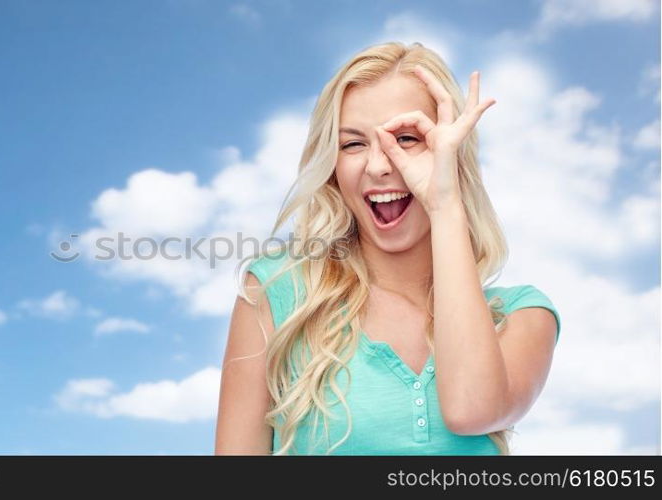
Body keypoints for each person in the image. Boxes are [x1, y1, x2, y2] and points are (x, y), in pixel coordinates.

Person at [214, 41, 561, 455]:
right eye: (353, 144)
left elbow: (473, 409)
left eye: (407, 138)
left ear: (452, 151)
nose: (378, 165)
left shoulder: (522, 315)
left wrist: (444, 203)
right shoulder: (277, 293)